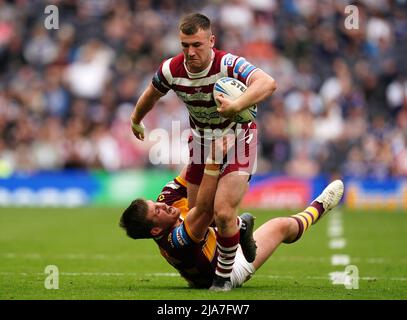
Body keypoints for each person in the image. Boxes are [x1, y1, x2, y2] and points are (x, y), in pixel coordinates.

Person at [129, 12, 277, 290]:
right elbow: (151, 93)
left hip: (238, 138)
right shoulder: (172, 70)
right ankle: (240, 229)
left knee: (221, 211)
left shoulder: (229, 63)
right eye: (184, 45)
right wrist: (136, 119)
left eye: (196, 44)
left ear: (211, 41)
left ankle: (223, 279)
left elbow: (268, 83)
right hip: (200, 142)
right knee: (199, 214)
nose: (190, 52)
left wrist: (236, 106)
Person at [119, 155, 345, 290]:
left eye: (155, 203)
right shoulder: (175, 242)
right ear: (156, 229)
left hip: (217, 239)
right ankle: (319, 207)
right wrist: (216, 160)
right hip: (225, 269)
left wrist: (203, 145)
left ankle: (238, 227)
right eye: (156, 211)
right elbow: (205, 209)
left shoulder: (166, 200)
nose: (162, 205)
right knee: (279, 226)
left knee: (216, 210)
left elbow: (191, 172)